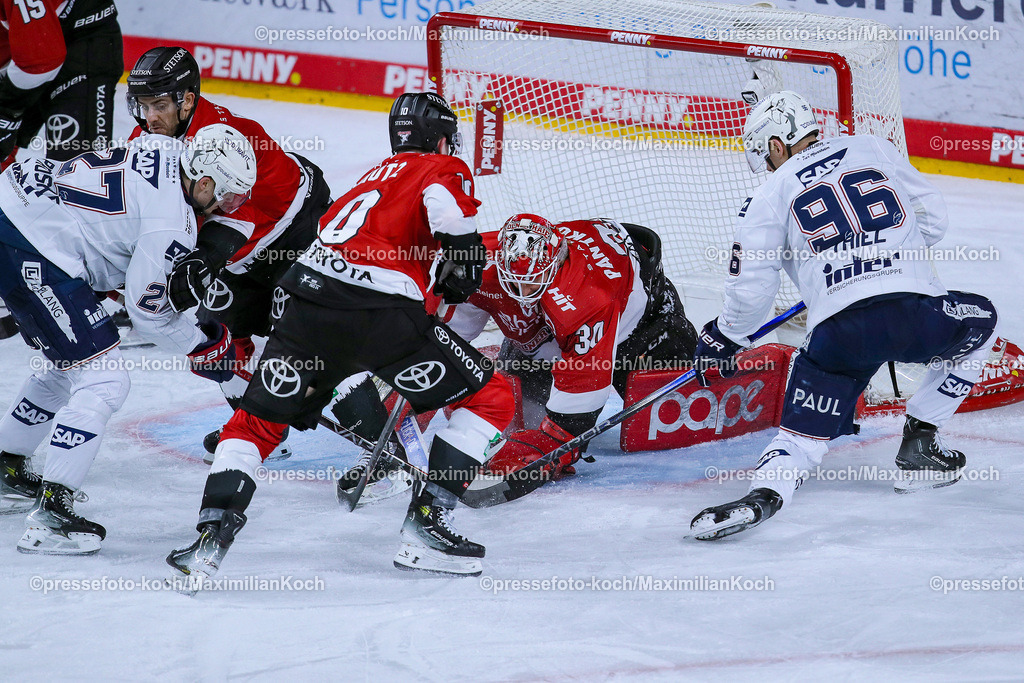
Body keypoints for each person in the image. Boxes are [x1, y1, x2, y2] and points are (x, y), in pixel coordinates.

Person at [166, 92, 515, 583]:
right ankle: (428, 525)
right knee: (492, 396)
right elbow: (447, 214)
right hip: (375, 310)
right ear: (440, 136)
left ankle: (208, 539)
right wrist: (466, 257)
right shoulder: (442, 167)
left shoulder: (371, 176)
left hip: (302, 300)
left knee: (256, 422)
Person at [689, 91, 998, 540]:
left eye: (766, 157)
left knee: (800, 438)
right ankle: (921, 443)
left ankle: (762, 499)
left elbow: (752, 291)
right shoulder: (873, 146)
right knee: (983, 323)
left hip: (839, 335)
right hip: (918, 317)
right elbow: (932, 220)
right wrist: (887, 259)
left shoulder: (767, 195)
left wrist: (724, 337)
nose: (770, 168)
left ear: (777, 144)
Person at [0, 125, 257, 554]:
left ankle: (6, 463)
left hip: (18, 204)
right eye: (227, 197)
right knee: (104, 379)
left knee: (70, 365)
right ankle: (50, 515)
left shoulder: (165, 146)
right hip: (31, 247)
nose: (228, 208)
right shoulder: (171, 225)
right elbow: (147, 315)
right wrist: (203, 343)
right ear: (206, 182)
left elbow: (115, 227)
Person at [125, 47, 332, 455]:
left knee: (304, 341)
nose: (150, 118)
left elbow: (242, 208)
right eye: (143, 106)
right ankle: (255, 429)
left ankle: (383, 442)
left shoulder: (229, 136)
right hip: (241, 253)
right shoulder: (148, 139)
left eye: (160, 105)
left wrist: (207, 256)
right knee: (216, 341)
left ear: (187, 100)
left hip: (293, 230)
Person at [482, 214, 699, 477]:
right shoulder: (479, 255)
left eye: (532, 282)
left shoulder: (588, 299)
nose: (523, 293)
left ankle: (682, 351)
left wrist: (556, 443)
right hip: (568, 311)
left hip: (642, 324)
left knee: (669, 405)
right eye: (514, 281)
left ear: (557, 263)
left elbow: (584, 392)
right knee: (520, 402)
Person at [0, 0, 122, 167]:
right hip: (32, 47)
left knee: (78, 172)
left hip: (83, 40)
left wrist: (6, 112)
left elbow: (39, 62)